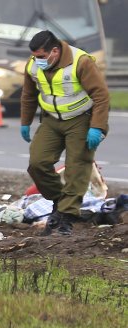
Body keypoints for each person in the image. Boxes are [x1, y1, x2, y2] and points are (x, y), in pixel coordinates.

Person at [20, 30, 110, 236]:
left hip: (81, 119)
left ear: (55, 51)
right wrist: (25, 122)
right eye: (34, 56)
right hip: (52, 120)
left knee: (77, 165)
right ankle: (60, 202)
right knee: (37, 163)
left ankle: (66, 217)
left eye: (41, 56)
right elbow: (28, 94)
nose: (37, 61)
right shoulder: (33, 64)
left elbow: (101, 95)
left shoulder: (81, 62)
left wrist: (97, 126)